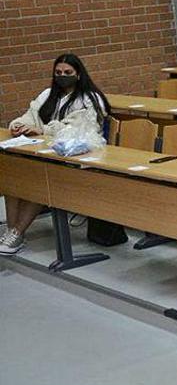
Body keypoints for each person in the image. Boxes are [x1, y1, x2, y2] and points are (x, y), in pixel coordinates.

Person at [1, 54, 110, 255]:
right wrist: (19, 125)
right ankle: (11, 230)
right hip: (44, 153)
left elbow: (79, 130)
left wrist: (43, 131)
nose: (62, 76)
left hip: (76, 157)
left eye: (68, 73)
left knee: (39, 182)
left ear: (78, 74)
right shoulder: (48, 94)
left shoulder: (89, 98)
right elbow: (30, 116)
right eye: (58, 72)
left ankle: (17, 232)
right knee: (13, 178)